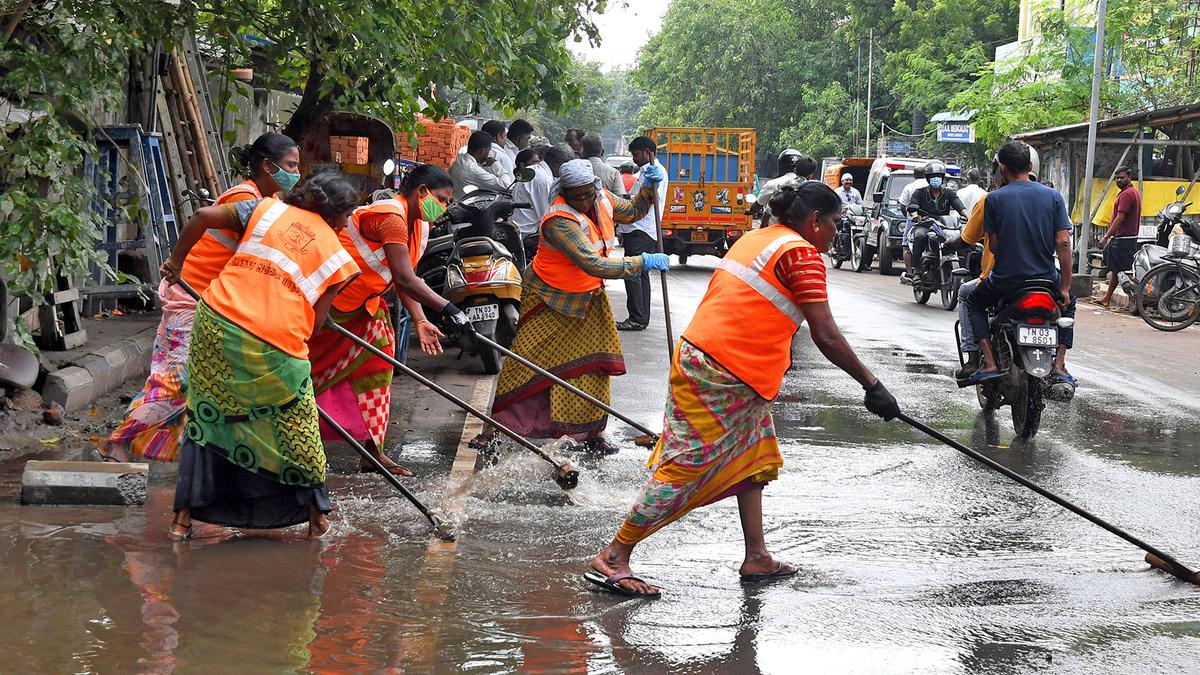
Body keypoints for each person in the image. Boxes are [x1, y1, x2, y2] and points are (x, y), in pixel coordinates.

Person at [585, 180, 901, 598]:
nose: (836, 231)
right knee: (687, 466)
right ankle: (614, 556)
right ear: (814, 221)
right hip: (723, 371)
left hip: (716, 363)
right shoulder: (801, 254)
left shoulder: (757, 239)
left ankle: (757, 556)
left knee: (754, 458)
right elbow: (825, 335)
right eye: (834, 223)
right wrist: (872, 385)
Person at [165, 171, 363, 541]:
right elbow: (315, 324)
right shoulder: (339, 259)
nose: (347, 224)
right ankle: (317, 518)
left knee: (207, 418)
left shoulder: (263, 209)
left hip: (216, 323)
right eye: (348, 216)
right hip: (273, 342)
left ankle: (182, 521)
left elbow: (202, 217)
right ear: (336, 215)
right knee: (296, 426)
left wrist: (177, 263)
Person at [97, 133, 301, 464]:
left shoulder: (261, 201)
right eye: (291, 166)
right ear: (268, 166)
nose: (295, 173)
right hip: (191, 298)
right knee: (178, 380)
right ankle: (118, 441)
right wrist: (175, 262)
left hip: (205, 300)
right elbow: (202, 219)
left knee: (193, 381)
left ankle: (183, 451)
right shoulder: (248, 200)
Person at [484, 160, 667, 454]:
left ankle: (592, 433)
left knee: (594, 365)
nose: (582, 201)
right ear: (563, 192)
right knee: (525, 361)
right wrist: (641, 262)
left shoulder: (604, 198)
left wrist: (648, 187)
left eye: (587, 194)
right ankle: (493, 427)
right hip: (548, 297)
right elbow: (592, 263)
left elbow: (633, 212)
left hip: (587, 296)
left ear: (595, 187)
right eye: (575, 196)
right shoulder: (559, 220)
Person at [309, 164, 470, 478]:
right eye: (442, 198)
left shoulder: (418, 224)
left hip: (365, 307)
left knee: (379, 366)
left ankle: (373, 452)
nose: (445, 207)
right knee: (309, 373)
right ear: (421, 192)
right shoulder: (391, 217)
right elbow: (405, 278)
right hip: (330, 307)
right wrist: (450, 309)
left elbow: (405, 278)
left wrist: (421, 319)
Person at [960, 141, 1075, 388]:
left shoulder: (993, 199)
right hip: (1046, 279)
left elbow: (995, 245)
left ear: (1002, 168)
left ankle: (988, 361)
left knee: (973, 302)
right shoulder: (1053, 196)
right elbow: (1063, 243)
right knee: (1070, 304)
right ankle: (1059, 364)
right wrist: (1064, 287)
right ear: (1031, 166)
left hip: (1005, 280)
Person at [616, 136, 668, 331]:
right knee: (641, 273)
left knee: (633, 272)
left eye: (636, 155)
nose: (634, 159)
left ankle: (637, 317)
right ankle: (640, 317)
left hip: (640, 229)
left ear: (647, 152)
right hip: (642, 229)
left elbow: (650, 198)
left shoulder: (654, 172)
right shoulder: (646, 171)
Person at [902, 161, 967, 283]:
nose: (936, 179)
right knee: (920, 236)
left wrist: (968, 216)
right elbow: (912, 206)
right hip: (926, 224)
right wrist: (915, 216)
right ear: (927, 178)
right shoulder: (919, 192)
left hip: (944, 226)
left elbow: (959, 205)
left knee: (961, 239)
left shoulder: (949, 193)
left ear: (942, 178)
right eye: (933, 177)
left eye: (938, 177)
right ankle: (916, 271)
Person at [1097, 166, 1142, 308]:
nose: (1119, 180)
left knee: (1122, 269)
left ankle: (1136, 299)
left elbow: (1120, 218)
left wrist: (1105, 237)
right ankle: (1107, 298)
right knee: (1116, 269)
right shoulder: (1130, 192)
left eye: (1122, 177)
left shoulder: (1127, 194)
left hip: (1124, 237)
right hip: (1127, 237)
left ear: (1129, 176)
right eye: (1117, 178)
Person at [512, 146, 554, 263]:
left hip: (523, 231)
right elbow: (545, 215)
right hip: (529, 234)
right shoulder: (541, 178)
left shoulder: (536, 175)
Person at [752, 149, 805, 227]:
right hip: (801, 235)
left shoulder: (773, 184)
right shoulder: (809, 186)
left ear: (781, 165)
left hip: (775, 234)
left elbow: (756, 207)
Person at [449, 131, 508, 200]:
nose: (488, 155)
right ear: (482, 151)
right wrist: (496, 164)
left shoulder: (459, 161)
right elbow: (505, 185)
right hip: (467, 207)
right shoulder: (472, 170)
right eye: (488, 151)